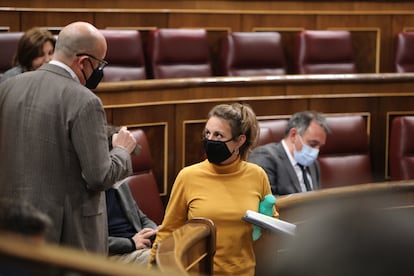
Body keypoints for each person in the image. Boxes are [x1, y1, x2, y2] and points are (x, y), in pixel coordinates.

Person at [0, 21, 137, 254]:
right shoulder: (84, 100)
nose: (100, 71)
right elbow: (100, 177)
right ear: (83, 62)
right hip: (67, 239)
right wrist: (122, 151)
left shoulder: (7, 88)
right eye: (100, 64)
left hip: (12, 230)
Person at [149, 103, 277, 275]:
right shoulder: (188, 176)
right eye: (207, 133)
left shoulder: (257, 175)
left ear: (239, 141)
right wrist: (152, 268)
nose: (210, 140)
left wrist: (268, 221)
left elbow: (270, 225)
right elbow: (168, 232)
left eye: (218, 135)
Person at [248, 111, 330, 196]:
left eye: (320, 146)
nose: (316, 151)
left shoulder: (313, 165)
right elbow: (265, 202)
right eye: (313, 144)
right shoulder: (265, 157)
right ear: (293, 135)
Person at [106, 180, 158, 266]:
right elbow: (93, 242)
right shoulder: (84, 195)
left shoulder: (119, 182)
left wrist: (152, 231)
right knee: (165, 260)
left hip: (140, 246)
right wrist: (131, 243)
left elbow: (142, 218)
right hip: (114, 254)